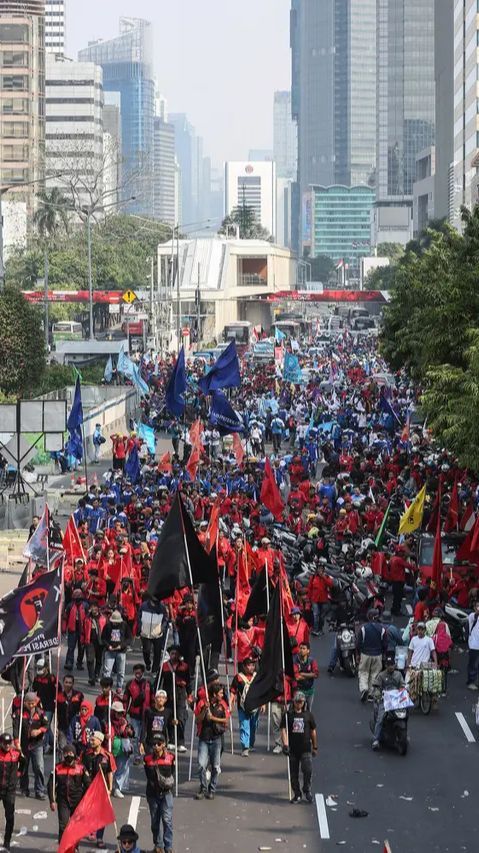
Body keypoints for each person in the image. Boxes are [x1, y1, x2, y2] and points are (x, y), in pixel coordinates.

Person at [48, 743, 90, 844]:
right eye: (66, 753)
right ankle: (63, 847)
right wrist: (52, 801)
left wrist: (86, 800)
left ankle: (75, 847)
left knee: (76, 826)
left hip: (77, 802)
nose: (68, 755)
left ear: (74, 754)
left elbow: (88, 784)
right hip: (63, 801)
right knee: (63, 826)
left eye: (70, 753)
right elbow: (50, 785)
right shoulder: (57, 768)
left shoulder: (81, 768)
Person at [280, 691, 317, 804]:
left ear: (304, 702)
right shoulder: (288, 715)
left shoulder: (308, 715)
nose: (299, 704)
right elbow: (283, 730)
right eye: (297, 701)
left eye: (301, 702)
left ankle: (307, 789)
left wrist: (315, 746)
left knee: (308, 770)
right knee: (293, 773)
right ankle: (297, 794)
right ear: (294, 702)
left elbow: (313, 731)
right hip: (293, 749)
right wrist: (285, 744)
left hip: (306, 748)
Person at [194, 683, 230, 800]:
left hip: (216, 739)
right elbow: (197, 720)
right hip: (203, 739)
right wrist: (205, 710)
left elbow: (226, 720)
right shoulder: (202, 703)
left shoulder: (223, 704)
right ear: (214, 694)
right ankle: (203, 787)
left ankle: (212, 789)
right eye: (220, 693)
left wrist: (213, 718)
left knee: (215, 767)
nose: (222, 694)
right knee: (201, 765)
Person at [82, 731, 116, 850]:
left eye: (93, 740)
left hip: (102, 788)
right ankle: (91, 830)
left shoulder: (107, 755)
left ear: (100, 741)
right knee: (89, 811)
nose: (90, 742)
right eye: (90, 740)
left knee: (101, 814)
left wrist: (110, 788)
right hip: (88, 787)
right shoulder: (86, 754)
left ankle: (100, 837)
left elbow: (110, 772)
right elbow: (82, 768)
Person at [12, 691, 48, 799]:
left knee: (39, 767)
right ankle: (24, 789)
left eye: (33, 703)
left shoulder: (40, 713)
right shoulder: (19, 713)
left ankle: (40, 790)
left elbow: (46, 726)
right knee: (24, 767)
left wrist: (39, 731)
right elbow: (15, 729)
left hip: (37, 744)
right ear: (25, 703)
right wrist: (17, 743)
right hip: (24, 744)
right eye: (29, 703)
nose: (31, 705)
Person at [143, 734, 175, 853]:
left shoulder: (171, 757)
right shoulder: (147, 759)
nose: (156, 746)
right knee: (155, 821)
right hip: (152, 794)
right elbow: (148, 775)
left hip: (166, 794)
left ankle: (168, 846)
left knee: (167, 820)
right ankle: (158, 846)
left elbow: (172, 773)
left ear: (164, 745)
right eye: (154, 744)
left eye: (159, 744)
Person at [370, 653, 405, 750]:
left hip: (397, 700)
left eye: (392, 664)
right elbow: (376, 687)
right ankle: (376, 740)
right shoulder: (381, 676)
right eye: (389, 665)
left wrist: (404, 690)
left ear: (395, 665)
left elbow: (402, 685)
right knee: (380, 719)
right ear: (386, 665)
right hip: (385, 702)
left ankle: (404, 735)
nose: (391, 667)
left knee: (405, 714)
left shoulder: (398, 675)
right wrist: (377, 694)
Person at [229, 657, 259, 757]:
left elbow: (262, 691)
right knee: (244, 726)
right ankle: (245, 747)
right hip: (242, 707)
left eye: (253, 665)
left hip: (255, 706)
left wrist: (263, 704)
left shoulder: (257, 676)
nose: (251, 667)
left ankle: (251, 744)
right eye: (249, 665)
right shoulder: (238, 677)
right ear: (244, 667)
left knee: (253, 726)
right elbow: (233, 691)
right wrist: (230, 703)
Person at [0, 732, 24, 851]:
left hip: (10, 790)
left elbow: (23, 762)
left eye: (9, 743)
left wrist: (19, 773)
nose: (7, 745)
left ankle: (7, 841)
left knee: (9, 816)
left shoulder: (16, 754)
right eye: (5, 743)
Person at [124, 664, 152, 763]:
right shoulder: (130, 684)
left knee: (145, 736)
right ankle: (137, 756)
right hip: (134, 714)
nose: (138, 675)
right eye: (136, 673)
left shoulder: (148, 683)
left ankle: (147, 755)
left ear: (143, 673)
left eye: (139, 673)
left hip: (147, 714)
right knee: (135, 736)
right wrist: (124, 713)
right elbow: (126, 699)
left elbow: (153, 697)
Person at [357, 609, 386, 703]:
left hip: (365, 654)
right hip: (378, 655)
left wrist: (358, 654)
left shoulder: (363, 628)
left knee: (363, 672)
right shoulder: (382, 629)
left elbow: (358, 643)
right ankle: (371, 694)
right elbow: (385, 644)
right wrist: (383, 654)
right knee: (375, 674)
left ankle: (364, 689)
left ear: (369, 616)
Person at [101, 610, 133, 691]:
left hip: (121, 651)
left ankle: (119, 687)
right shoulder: (108, 626)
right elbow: (103, 638)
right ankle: (106, 687)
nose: (115, 623)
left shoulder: (124, 625)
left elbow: (129, 638)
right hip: (110, 651)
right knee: (107, 671)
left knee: (121, 671)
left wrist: (121, 646)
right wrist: (108, 646)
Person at [57, 675, 84, 752]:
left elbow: (83, 710)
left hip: (74, 727)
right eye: (66, 682)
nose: (68, 684)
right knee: (63, 748)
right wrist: (56, 727)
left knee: (74, 749)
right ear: (63, 683)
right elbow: (56, 712)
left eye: (70, 682)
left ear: (73, 684)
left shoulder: (79, 695)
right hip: (62, 727)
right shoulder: (58, 696)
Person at [62, 589, 88, 672]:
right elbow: (65, 618)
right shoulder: (69, 606)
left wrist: (87, 631)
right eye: (76, 599)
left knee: (81, 648)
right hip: (72, 630)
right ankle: (69, 662)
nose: (78, 601)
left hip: (82, 630)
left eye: (79, 599)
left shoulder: (85, 606)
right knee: (71, 647)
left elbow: (88, 619)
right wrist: (63, 629)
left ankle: (79, 663)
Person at [142, 690, 173, 755]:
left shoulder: (168, 712)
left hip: (162, 743)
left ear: (165, 700)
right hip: (150, 743)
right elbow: (144, 727)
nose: (161, 699)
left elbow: (170, 728)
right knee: (150, 763)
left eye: (163, 697)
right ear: (155, 699)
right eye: (159, 697)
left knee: (162, 763)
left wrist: (174, 723)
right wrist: (141, 742)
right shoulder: (148, 711)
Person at [307, 563, 334, 635]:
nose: (320, 570)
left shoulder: (326, 576)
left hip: (323, 599)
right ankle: (315, 630)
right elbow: (309, 588)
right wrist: (308, 598)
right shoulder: (313, 577)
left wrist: (323, 577)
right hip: (314, 599)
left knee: (322, 616)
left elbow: (331, 584)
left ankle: (320, 629)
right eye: (319, 568)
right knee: (316, 615)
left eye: (321, 568)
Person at [293, 642, 319, 707]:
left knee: (308, 710)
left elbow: (316, 674)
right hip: (299, 690)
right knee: (299, 709)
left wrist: (302, 673)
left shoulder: (312, 661)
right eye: (300, 648)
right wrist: (310, 675)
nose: (301, 650)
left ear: (308, 651)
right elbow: (296, 677)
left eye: (304, 648)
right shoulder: (295, 661)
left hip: (310, 691)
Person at [466, 600, 479, 689]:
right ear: (474, 608)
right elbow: (475, 616)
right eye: (477, 606)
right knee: (473, 664)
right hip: (474, 644)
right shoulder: (471, 616)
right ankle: (470, 682)